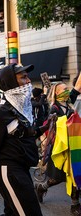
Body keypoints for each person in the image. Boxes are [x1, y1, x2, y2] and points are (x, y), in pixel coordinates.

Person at [0, 63, 56, 216]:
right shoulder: (0, 113)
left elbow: (25, 134)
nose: (29, 81)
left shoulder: (23, 108)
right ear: (10, 82)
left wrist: (45, 127)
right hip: (8, 171)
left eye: (27, 76)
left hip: (22, 168)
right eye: (23, 77)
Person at [35, 74, 81, 215]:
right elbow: (51, 128)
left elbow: (78, 86)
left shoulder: (69, 102)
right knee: (57, 178)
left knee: (75, 174)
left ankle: (75, 205)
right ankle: (42, 187)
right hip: (60, 147)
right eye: (64, 89)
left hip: (73, 145)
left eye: (67, 89)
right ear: (57, 92)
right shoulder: (54, 108)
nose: (68, 91)